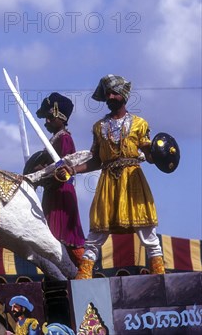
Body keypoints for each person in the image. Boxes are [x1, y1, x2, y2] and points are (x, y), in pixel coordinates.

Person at [60, 75, 165, 279]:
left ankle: (159, 274)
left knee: (147, 231)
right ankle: (84, 273)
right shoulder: (99, 127)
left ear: (124, 95)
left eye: (114, 92)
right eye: (107, 93)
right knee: (98, 230)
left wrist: (158, 155)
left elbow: (149, 154)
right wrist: (73, 169)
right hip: (108, 182)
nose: (110, 96)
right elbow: (96, 160)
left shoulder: (139, 124)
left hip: (133, 180)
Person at [32, 93, 85, 266]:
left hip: (61, 192)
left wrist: (43, 171)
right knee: (49, 238)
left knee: (64, 236)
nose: (46, 122)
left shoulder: (64, 139)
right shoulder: (54, 139)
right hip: (51, 193)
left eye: (50, 117)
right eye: (45, 118)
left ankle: (84, 270)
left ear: (61, 118)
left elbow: (62, 170)